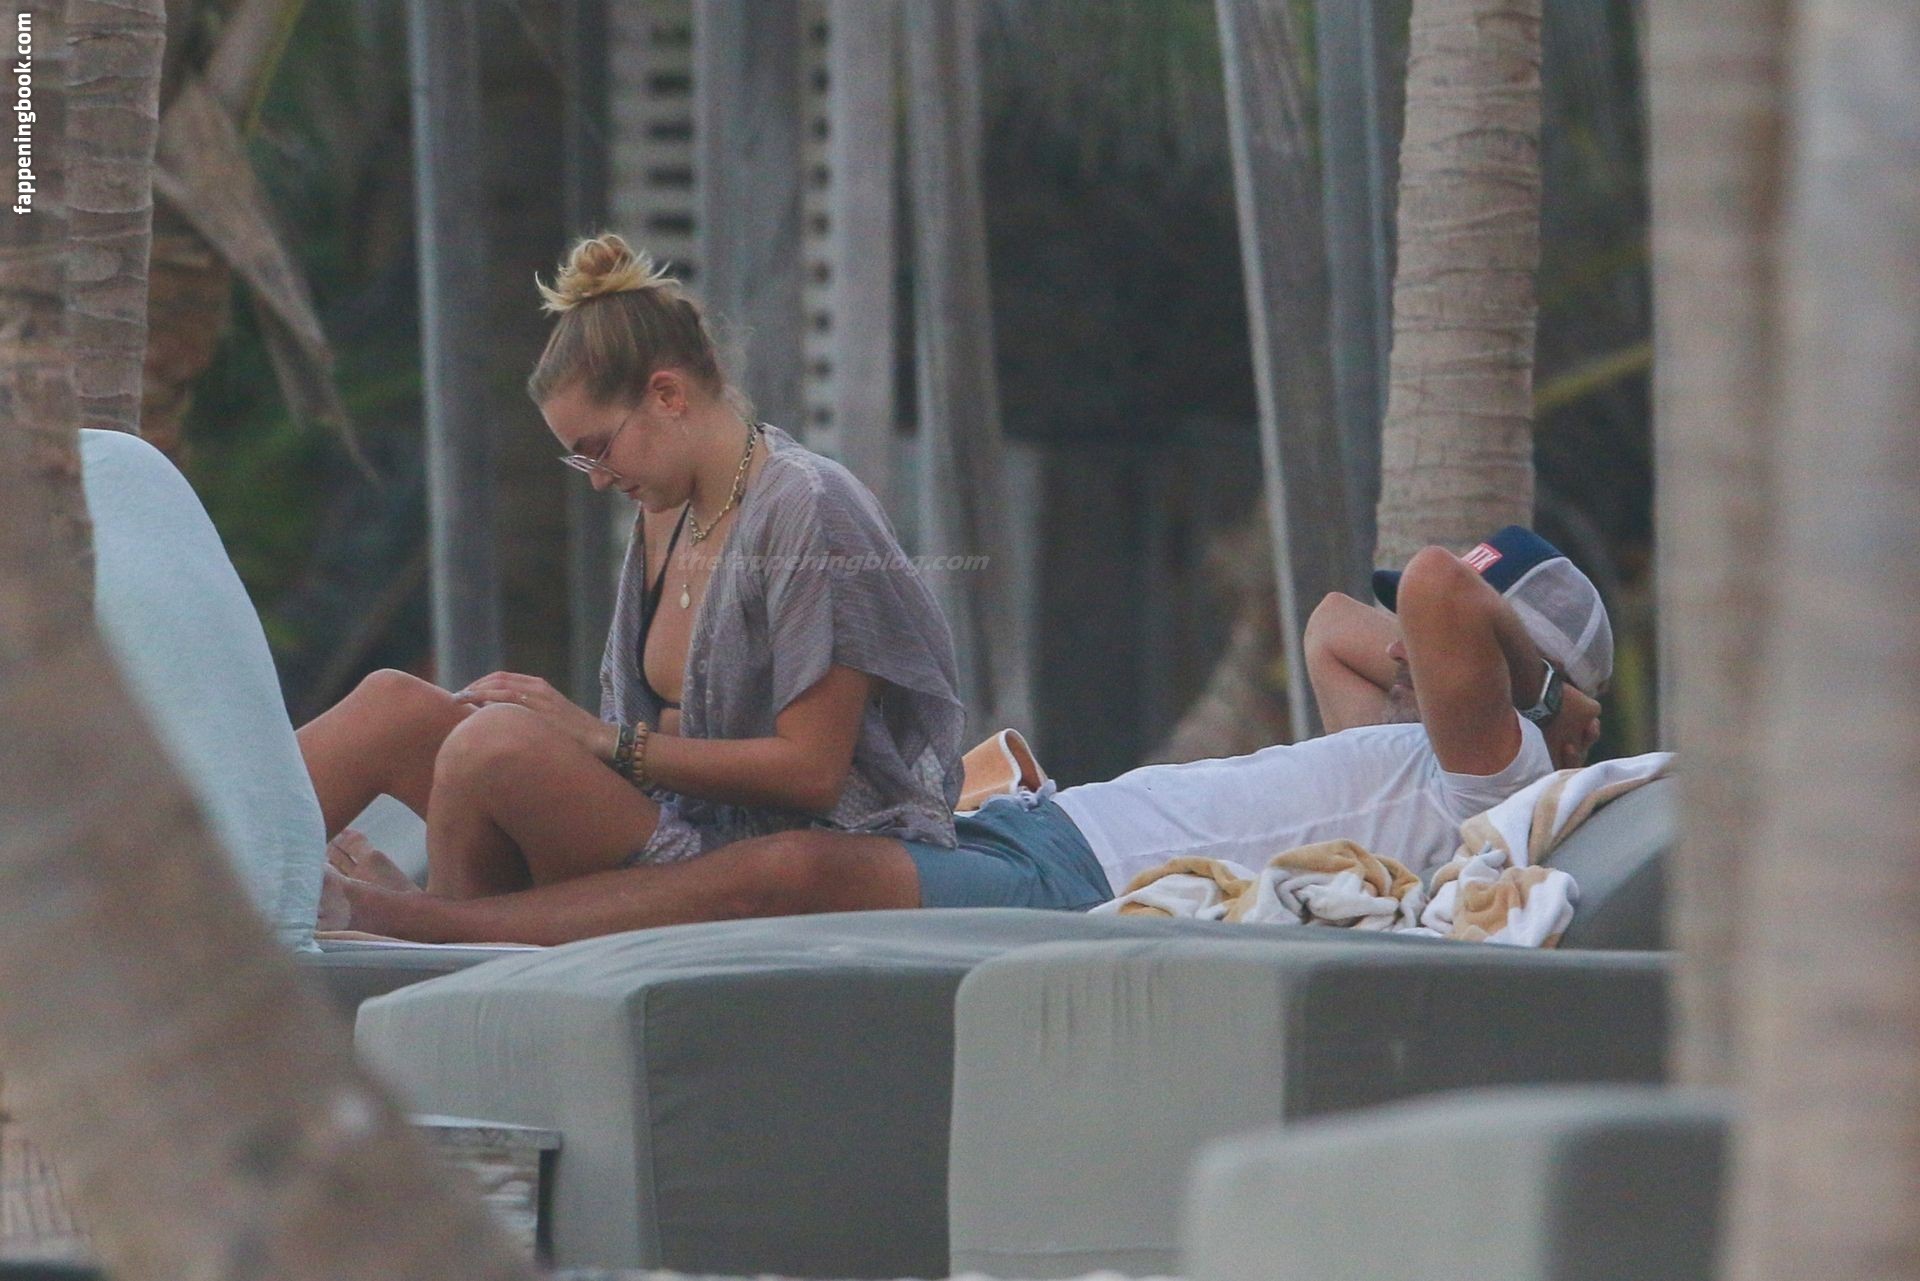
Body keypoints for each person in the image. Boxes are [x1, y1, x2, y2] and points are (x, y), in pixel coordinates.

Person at [326, 525, 1610, 944]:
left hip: (1071, 881)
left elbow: (1430, 588)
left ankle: (428, 926)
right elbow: (1338, 623)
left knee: (796, 869)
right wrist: (1505, 654)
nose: (1406, 663)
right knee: (412, 714)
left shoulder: (1489, 777)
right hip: (1018, 825)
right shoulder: (1411, 752)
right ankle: (252, 884)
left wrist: (1543, 698)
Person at [308, 233, 965, 911]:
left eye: (598, 449)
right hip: (662, 819)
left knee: (492, 744)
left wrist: (600, 740)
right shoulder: (666, 509)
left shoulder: (809, 506)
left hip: (756, 854)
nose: (597, 479)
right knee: (393, 705)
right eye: (579, 460)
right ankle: (245, 907)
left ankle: (430, 919)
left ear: (667, 395)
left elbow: (813, 773)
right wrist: (568, 738)